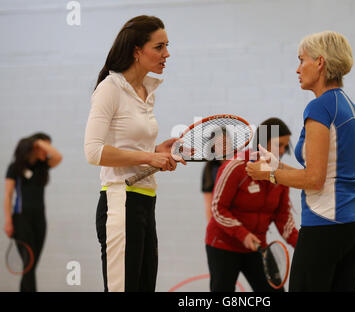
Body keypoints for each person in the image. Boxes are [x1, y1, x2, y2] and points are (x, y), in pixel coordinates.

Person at [246, 31, 355, 292]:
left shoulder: (320, 107)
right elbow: (328, 172)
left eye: (302, 60)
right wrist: (276, 167)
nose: (298, 69)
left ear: (320, 63)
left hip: (325, 228)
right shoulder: (351, 107)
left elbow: (314, 179)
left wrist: (268, 175)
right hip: (354, 227)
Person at [84, 15, 184, 292]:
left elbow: (130, 149)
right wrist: (149, 158)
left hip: (145, 202)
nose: (167, 54)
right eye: (159, 47)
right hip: (119, 202)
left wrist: (156, 151)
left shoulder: (146, 91)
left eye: (167, 46)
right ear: (137, 51)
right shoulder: (109, 89)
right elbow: (93, 152)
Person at [205, 117, 298, 292]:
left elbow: (283, 217)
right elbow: (218, 209)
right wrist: (243, 235)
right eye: (279, 145)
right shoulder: (236, 166)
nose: (283, 150)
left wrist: (301, 245)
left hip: (258, 247)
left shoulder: (280, 174)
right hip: (223, 245)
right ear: (263, 143)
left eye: (286, 146)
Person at [3, 132, 62, 292]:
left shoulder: (42, 167)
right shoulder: (15, 168)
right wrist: (8, 221)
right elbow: (8, 196)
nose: (47, 151)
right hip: (21, 220)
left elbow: (58, 156)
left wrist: (40, 143)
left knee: (31, 265)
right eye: (44, 147)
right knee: (28, 265)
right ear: (35, 148)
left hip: (40, 220)